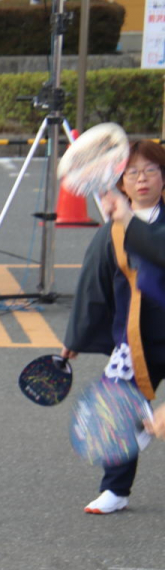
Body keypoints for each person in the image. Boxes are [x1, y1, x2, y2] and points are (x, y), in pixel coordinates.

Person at [61, 140, 165, 514]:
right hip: (134, 340)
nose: (141, 179)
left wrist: (125, 218)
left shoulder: (128, 223)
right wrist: (74, 338)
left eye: (151, 170)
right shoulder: (110, 232)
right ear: (121, 182)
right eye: (132, 172)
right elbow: (94, 286)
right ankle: (115, 490)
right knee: (116, 410)